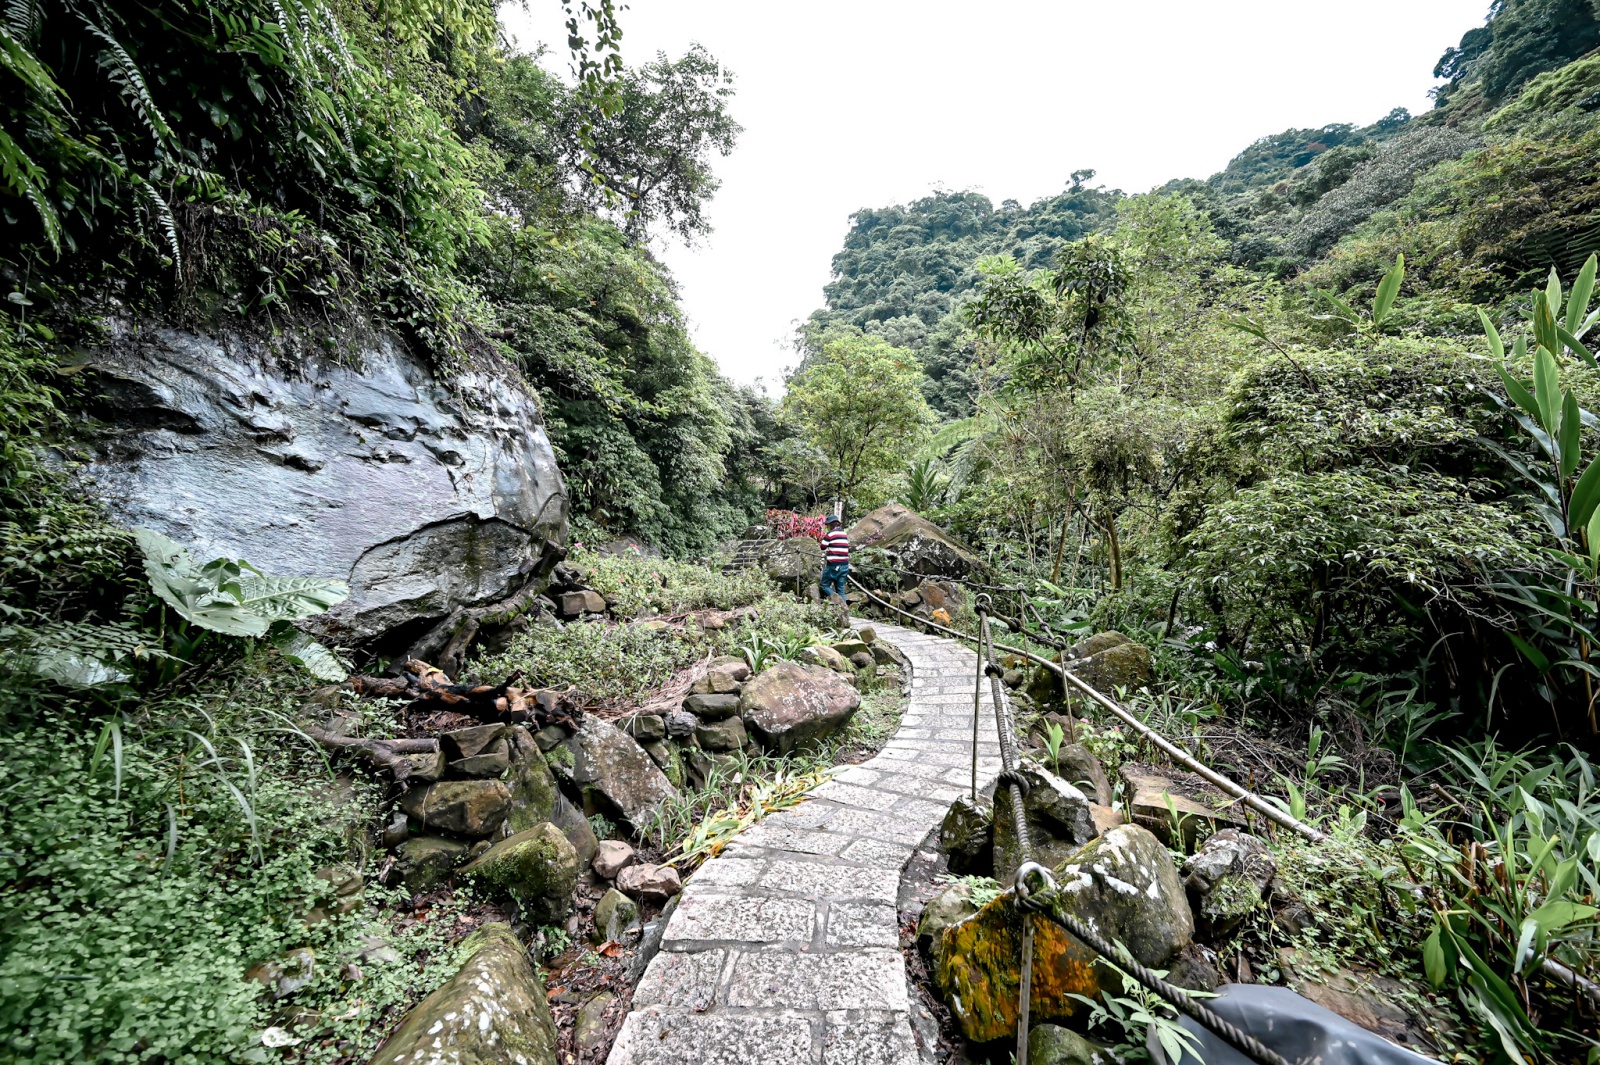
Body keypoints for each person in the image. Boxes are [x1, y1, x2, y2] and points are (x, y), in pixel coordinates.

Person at [819, 514, 850, 611]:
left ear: (831, 525)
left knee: (824, 585)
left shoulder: (830, 534)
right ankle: (845, 610)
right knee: (840, 589)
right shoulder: (844, 534)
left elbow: (822, 546)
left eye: (828, 525)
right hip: (845, 565)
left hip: (833, 566)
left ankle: (836, 601)